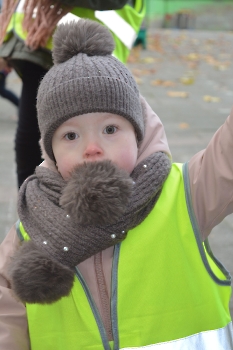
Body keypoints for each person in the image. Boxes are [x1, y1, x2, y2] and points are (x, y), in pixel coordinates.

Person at [0, 19, 233, 350]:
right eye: (70, 135)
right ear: (50, 151)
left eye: (110, 129)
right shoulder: (29, 229)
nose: (91, 147)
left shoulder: (186, 194)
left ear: (137, 134)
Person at [0, 0, 145, 188]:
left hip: (90, 61)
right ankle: (36, 207)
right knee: (31, 146)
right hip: (39, 45)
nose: (91, 149)